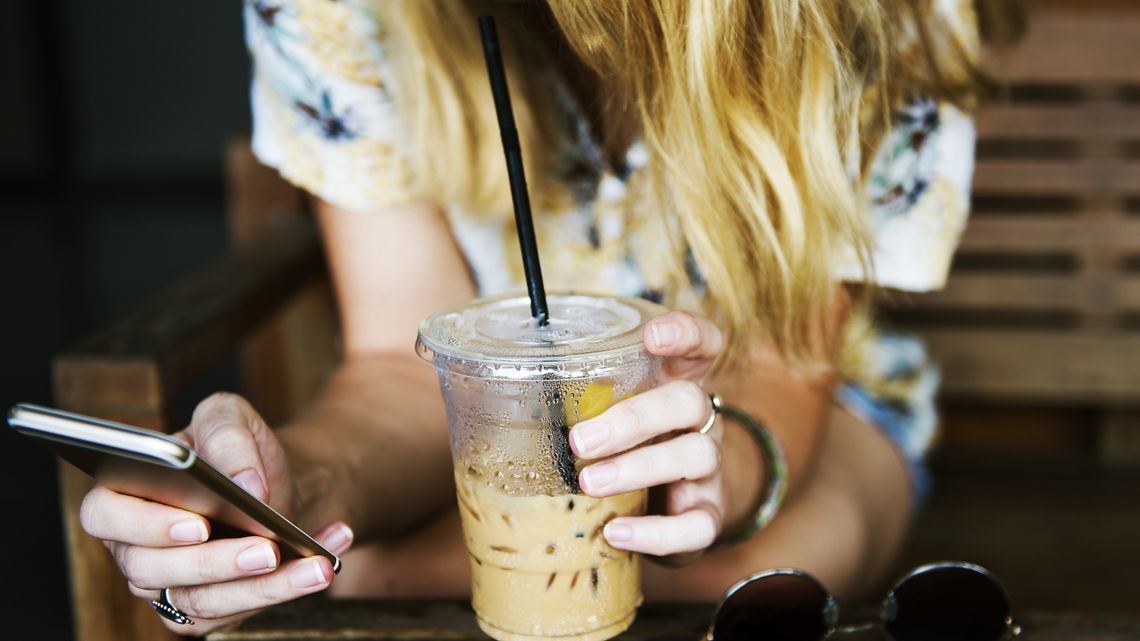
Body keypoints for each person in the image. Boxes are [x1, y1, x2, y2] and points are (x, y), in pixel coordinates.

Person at [80, 0, 1002, 634]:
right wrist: (298, 490)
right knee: (360, 567)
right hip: (496, 432)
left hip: (813, 409)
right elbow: (402, 364)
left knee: (729, 580)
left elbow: (787, 361)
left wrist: (715, 469)